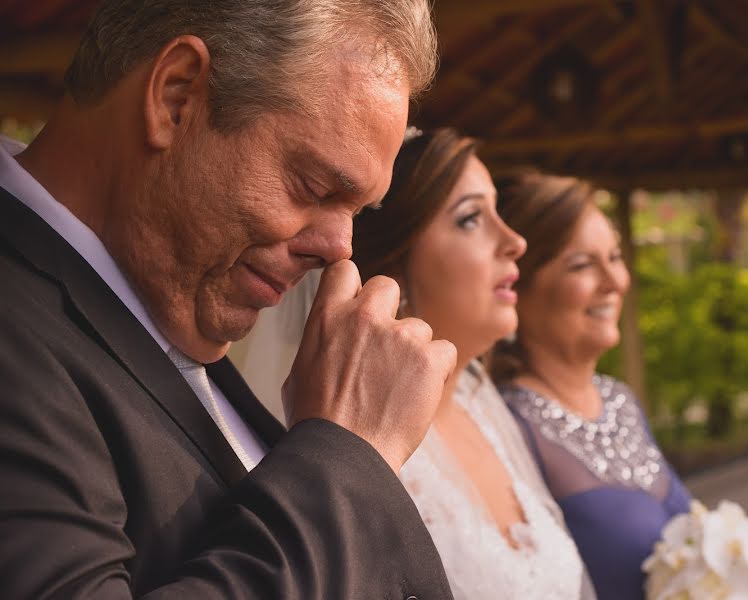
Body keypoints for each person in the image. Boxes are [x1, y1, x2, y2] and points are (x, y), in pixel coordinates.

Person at [0, 1, 458, 598]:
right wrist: (349, 455)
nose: (339, 250)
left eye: (356, 211)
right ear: (176, 96)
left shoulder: (161, 312)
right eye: (313, 186)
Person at [353, 128, 595, 599]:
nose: (514, 241)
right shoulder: (364, 454)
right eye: (470, 219)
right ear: (394, 272)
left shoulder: (484, 410)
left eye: (499, 214)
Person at [491, 172, 691, 600]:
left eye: (615, 257)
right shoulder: (508, 425)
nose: (615, 281)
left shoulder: (620, 400)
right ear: (516, 286)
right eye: (582, 265)